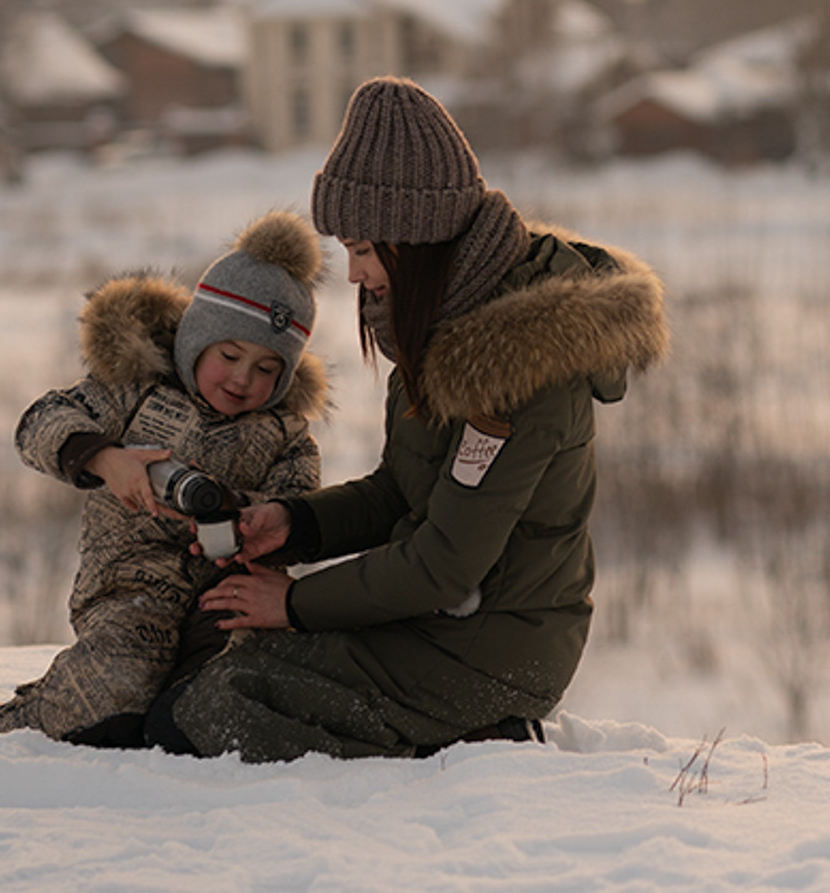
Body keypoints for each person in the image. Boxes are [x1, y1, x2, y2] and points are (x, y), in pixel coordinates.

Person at [147, 76, 668, 762]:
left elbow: (445, 565)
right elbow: (402, 491)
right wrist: (294, 525)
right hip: (440, 622)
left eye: (364, 249)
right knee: (209, 675)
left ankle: (477, 738)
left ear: (416, 239)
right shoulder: (446, 324)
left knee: (211, 711)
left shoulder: (516, 366)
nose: (356, 275)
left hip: (494, 650)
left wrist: (294, 604)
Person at [0, 210, 331, 759]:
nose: (241, 379)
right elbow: (39, 424)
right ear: (195, 341)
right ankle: (6, 729)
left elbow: (300, 511)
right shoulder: (134, 390)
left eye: (265, 370)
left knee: (226, 693)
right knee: (118, 678)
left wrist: (237, 512)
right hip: (132, 588)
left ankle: (166, 719)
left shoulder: (285, 434)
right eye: (229, 356)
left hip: (230, 593)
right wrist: (108, 460)